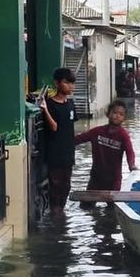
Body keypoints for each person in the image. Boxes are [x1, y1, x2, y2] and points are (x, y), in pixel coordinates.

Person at [75, 100, 138, 199]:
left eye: (121, 114)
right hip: (96, 177)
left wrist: (132, 165)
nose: (117, 116)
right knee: (86, 206)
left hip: (114, 179)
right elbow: (78, 139)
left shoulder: (123, 135)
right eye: (114, 112)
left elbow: (130, 152)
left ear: (124, 118)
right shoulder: (97, 131)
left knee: (112, 208)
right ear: (108, 114)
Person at [40, 68, 77, 213]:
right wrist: (45, 110)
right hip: (55, 152)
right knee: (55, 184)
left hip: (68, 152)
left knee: (66, 185)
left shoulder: (70, 104)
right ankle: (56, 213)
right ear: (57, 83)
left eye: (72, 83)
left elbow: (71, 128)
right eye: (67, 82)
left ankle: (60, 211)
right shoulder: (50, 104)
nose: (70, 86)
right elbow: (54, 127)